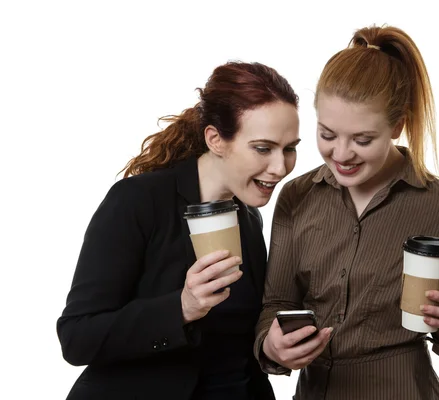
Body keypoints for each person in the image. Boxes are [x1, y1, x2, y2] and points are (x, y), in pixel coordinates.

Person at [254, 25, 439, 399]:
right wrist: (270, 347)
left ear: (397, 126)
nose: (342, 154)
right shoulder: (295, 197)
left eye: (362, 140)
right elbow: (277, 304)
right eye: (327, 134)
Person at [57, 61, 300, 400]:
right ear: (215, 139)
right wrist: (182, 307)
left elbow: (236, 348)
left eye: (290, 148)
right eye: (263, 148)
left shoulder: (248, 219)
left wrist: (274, 347)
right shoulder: (138, 201)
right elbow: (77, 338)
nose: (280, 167)